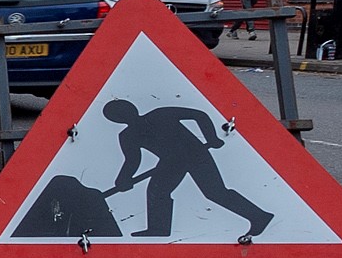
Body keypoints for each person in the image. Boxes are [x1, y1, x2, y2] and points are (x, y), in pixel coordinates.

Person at [99, 98, 273, 240]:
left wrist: (211, 137)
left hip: (196, 154)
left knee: (215, 192)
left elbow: (199, 115)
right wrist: (123, 179)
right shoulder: (128, 135)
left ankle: (260, 217)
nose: (123, 116)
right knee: (156, 191)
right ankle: (158, 229)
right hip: (171, 163)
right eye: (117, 115)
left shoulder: (161, 114)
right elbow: (132, 160)